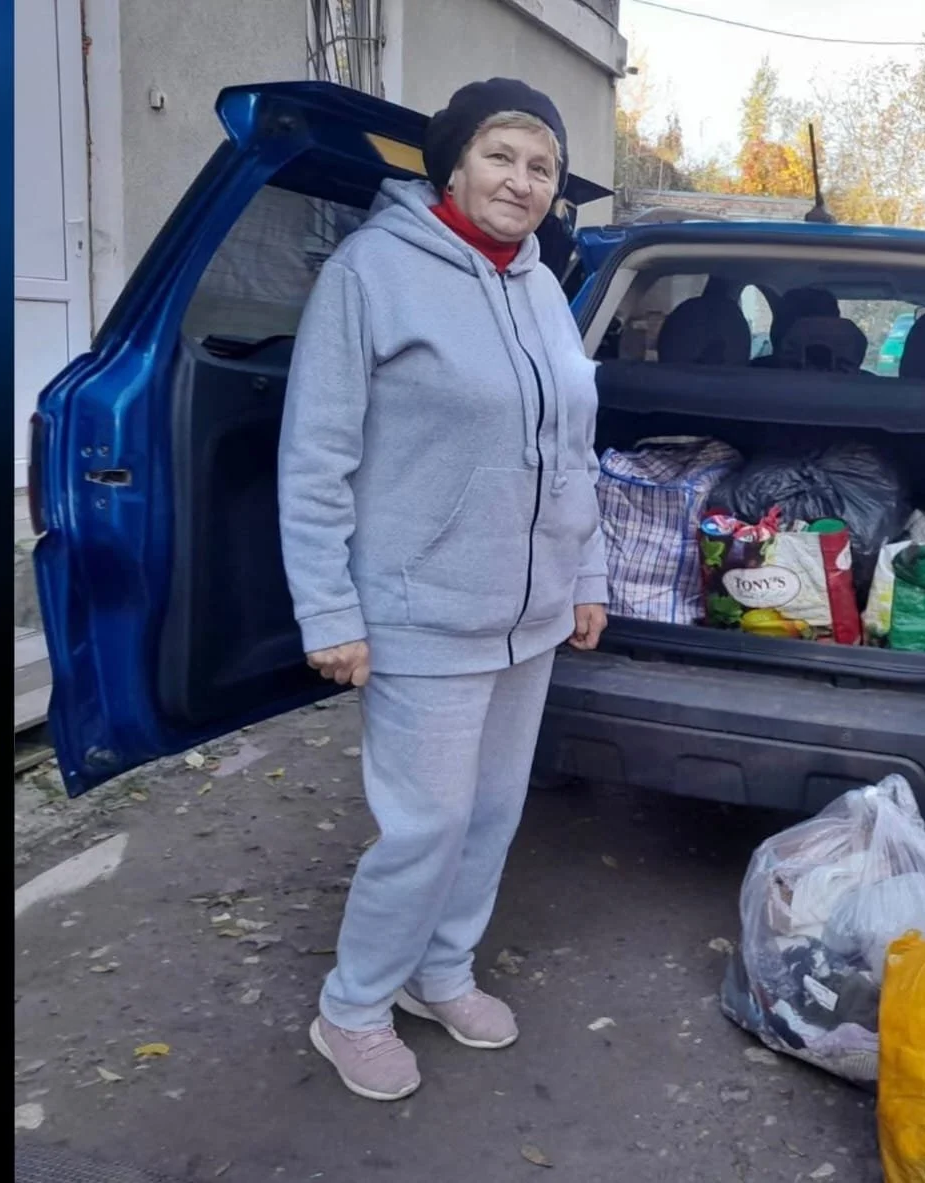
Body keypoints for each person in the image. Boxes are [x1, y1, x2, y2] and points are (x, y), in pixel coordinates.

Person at [277, 78, 608, 1101]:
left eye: (542, 167)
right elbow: (316, 455)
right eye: (501, 155)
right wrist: (328, 609)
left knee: (493, 812)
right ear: (455, 163)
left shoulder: (543, 286)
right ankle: (352, 1007)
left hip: (532, 615)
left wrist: (586, 572)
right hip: (420, 607)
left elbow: (573, 449)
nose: (522, 180)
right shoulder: (372, 272)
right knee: (423, 827)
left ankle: (440, 972)